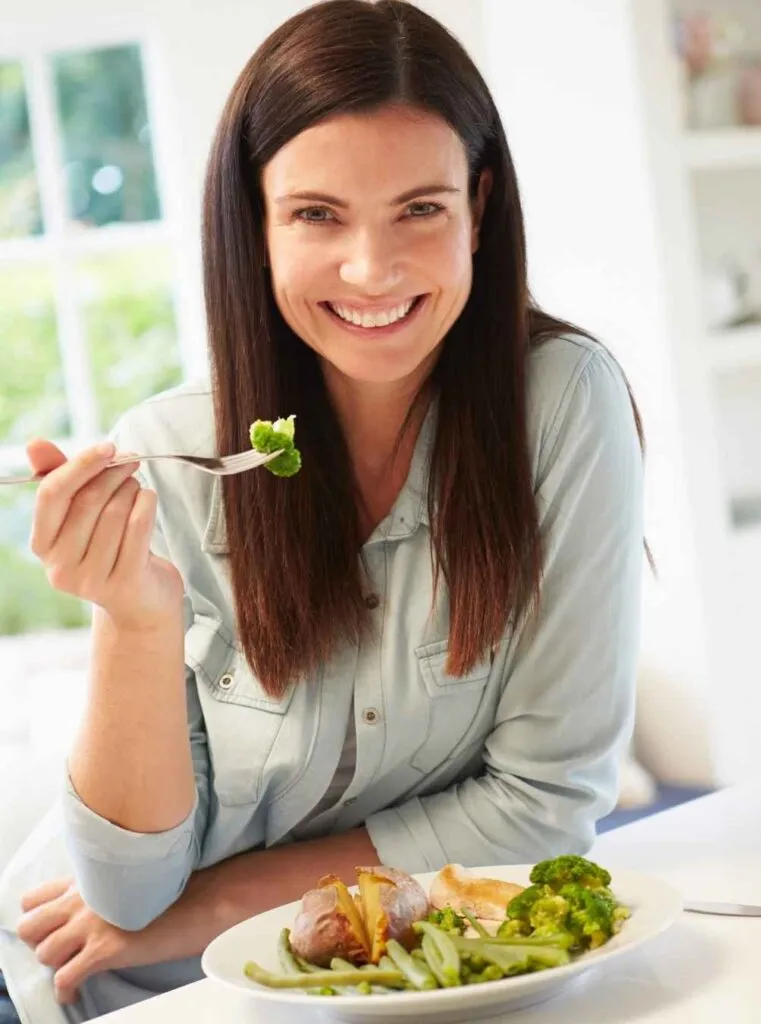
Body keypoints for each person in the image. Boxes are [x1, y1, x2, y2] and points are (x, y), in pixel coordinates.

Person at [0, 1, 645, 1020]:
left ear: (479, 207)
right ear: (253, 227)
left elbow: (544, 808)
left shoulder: (562, 405)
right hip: (112, 987)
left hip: (360, 982)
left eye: (419, 209)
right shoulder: (177, 455)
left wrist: (213, 907)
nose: (371, 268)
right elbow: (125, 898)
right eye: (316, 215)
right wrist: (135, 620)